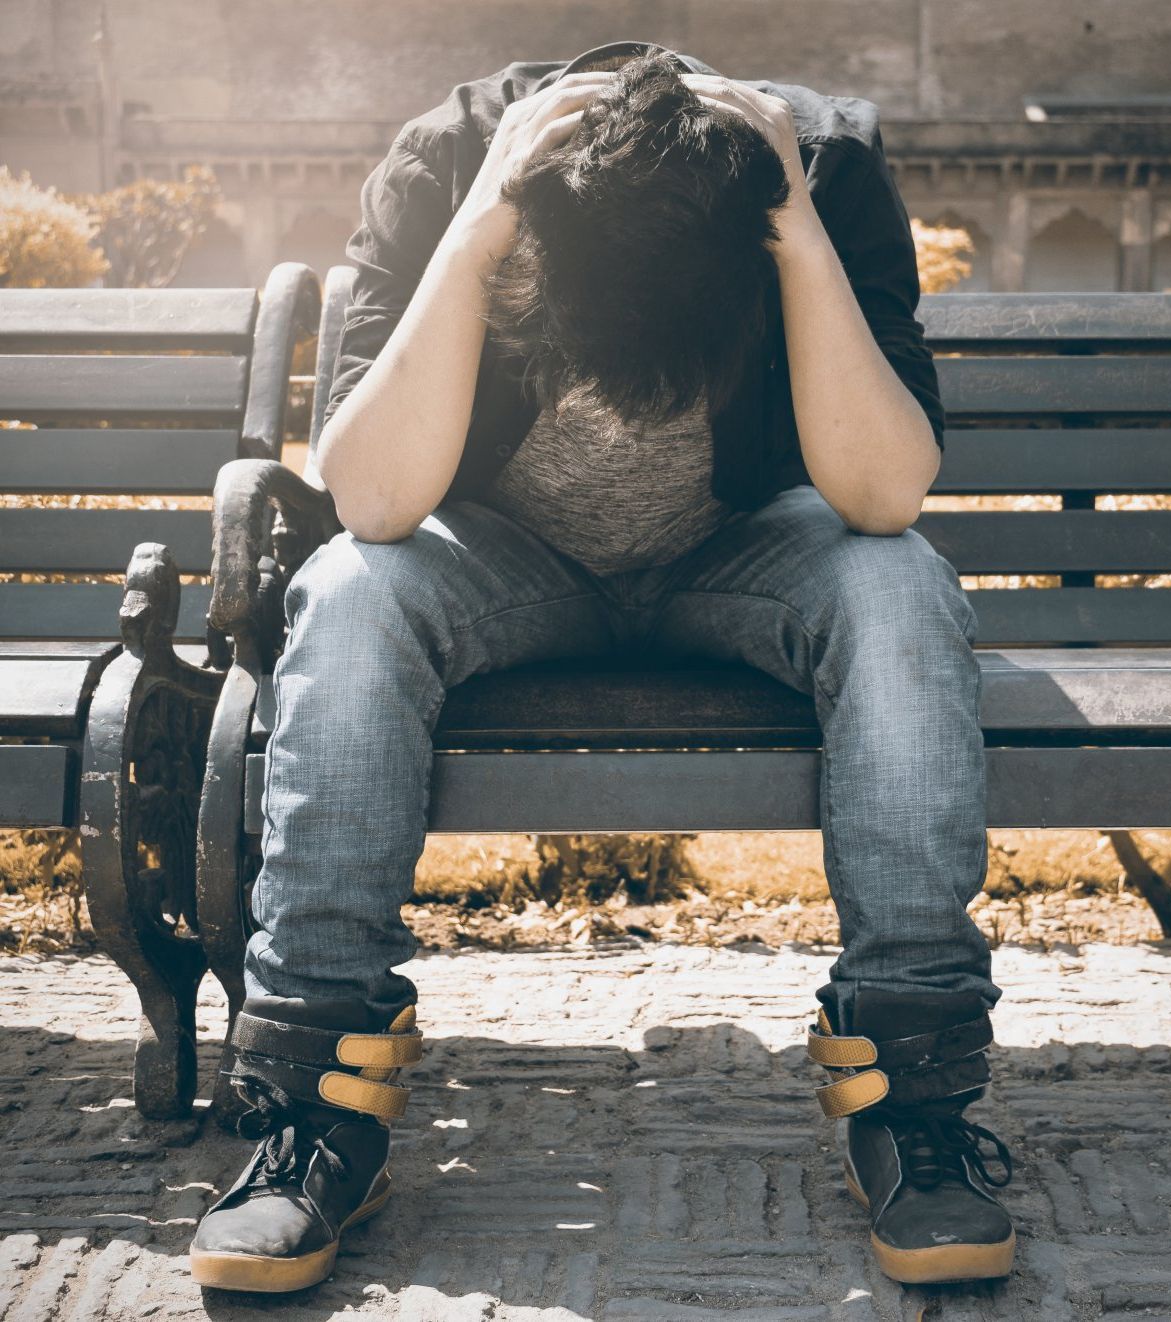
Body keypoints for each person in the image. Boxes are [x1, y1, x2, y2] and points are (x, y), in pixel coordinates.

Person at [189, 39, 1013, 1294]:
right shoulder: (446, 164)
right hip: (503, 555)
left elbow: (883, 491)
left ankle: (913, 1097)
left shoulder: (822, 170)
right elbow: (372, 496)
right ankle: (310, 1109)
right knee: (351, 592)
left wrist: (791, 233)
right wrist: (475, 234)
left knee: (897, 586)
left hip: (744, 546)